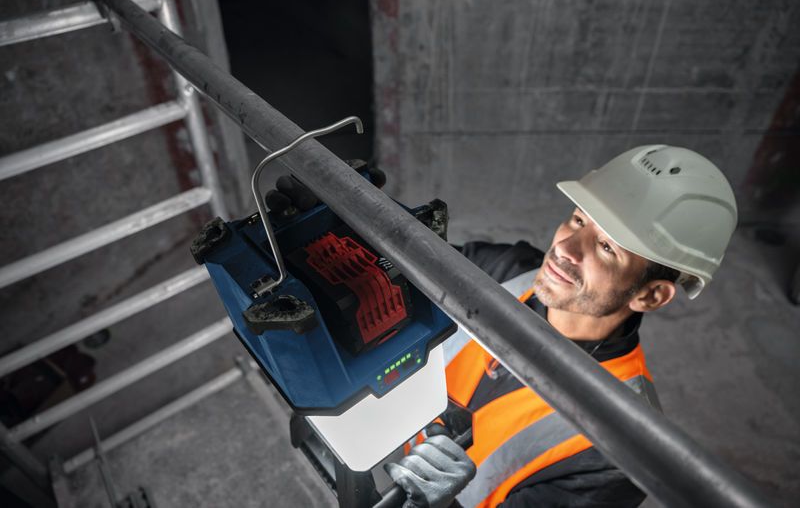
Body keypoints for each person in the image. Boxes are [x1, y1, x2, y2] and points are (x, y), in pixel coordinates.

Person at [267, 146, 738, 507]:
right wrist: (333, 225)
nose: (567, 248)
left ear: (650, 295)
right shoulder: (502, 269)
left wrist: (446, 502)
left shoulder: (623, 452)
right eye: (578, 219)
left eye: (607, 248)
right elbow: (395, 275)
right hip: (365, 456)